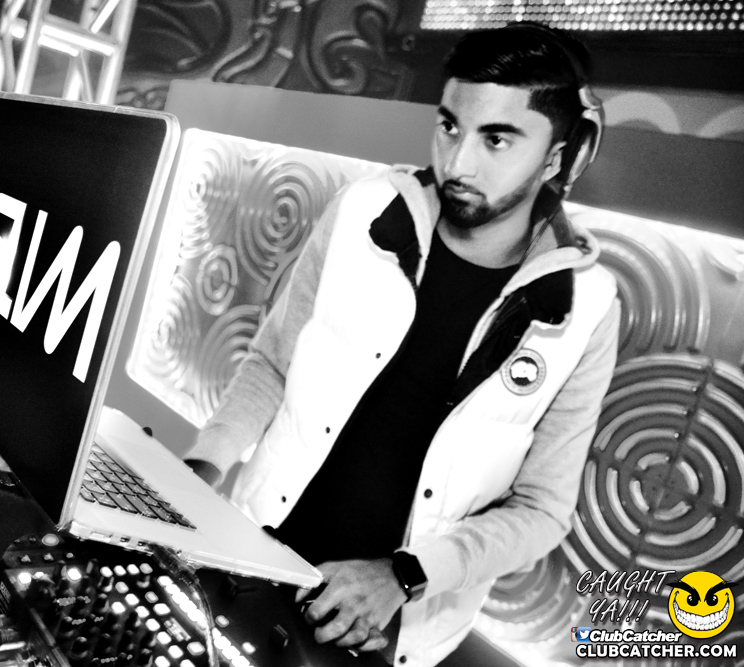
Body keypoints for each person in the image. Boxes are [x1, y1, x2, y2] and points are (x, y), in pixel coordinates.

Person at [184, 22, 621, 667]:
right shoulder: (362, 209)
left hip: (385, 627)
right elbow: (273, 363)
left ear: (557, 158)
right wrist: (202, 468)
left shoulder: (589, 308)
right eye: (449, 127)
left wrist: (404, 576)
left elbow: (541, 511)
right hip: (254, 551)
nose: (458, 162)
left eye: (497, 139)